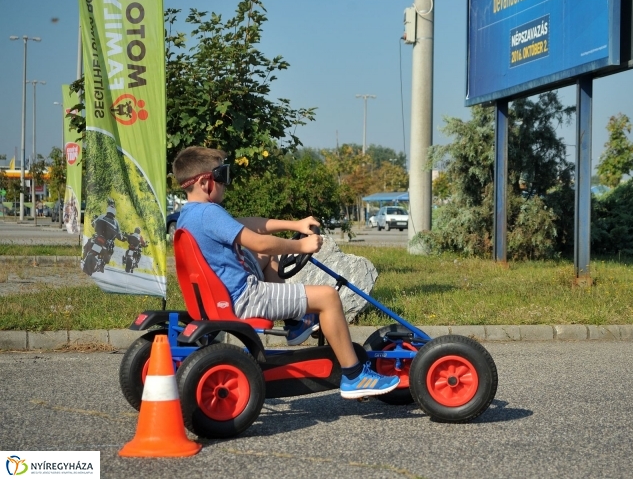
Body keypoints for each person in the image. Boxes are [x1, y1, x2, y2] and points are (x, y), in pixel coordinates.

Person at [172, 146, 399, 399]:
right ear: (205, 181)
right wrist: (301, 245)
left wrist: (295, 224)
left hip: (221, 294)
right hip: (245, 297)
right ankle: (355, 375)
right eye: (223, 176)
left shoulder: (190, 214)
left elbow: (253, 225)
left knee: (267, 257)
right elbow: (258, 242)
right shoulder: (210, 213)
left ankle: (295, 323)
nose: (226, 183)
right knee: (328, 297)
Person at [85, 200, 125, 271]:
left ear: (108, 210)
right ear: (114, 212)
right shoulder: (116, 222)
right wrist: (122, 237)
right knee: (111, 249)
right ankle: (102, 264)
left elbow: (93, 223)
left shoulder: (102, 216)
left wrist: (93, 223)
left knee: (90, 241)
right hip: (106, 241)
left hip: (99, 237)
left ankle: (86, 255)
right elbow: (119, 234)